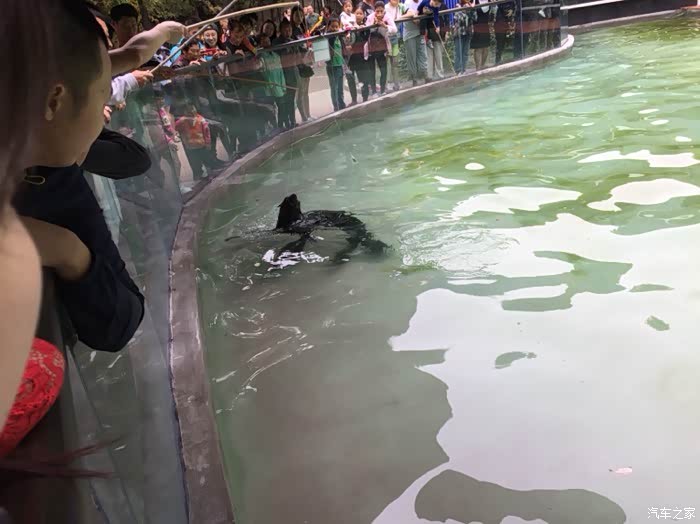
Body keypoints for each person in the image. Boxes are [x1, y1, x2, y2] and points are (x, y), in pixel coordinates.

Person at [175, 103, 216, 180]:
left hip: (201, 145)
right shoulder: (182, 120)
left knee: (206, 159)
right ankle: (199, 175)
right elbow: (175, 127)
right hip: (191, 147)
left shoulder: (200, 119)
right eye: (188, 110)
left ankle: (210, 173)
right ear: (185, 112)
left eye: (192, 109)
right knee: (196, 162)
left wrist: (208, 143)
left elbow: (206, 132)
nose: (191, 111)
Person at [366, 2, 397, 96]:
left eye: (381, 11)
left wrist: (385, 25)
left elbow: (394, 29)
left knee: (384, 69)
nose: (379, 13)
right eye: (377, 11)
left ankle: (383, 90)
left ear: (384, 10)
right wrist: (373, 24)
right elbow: (366, 30)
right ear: (374, 11)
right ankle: (374, 91)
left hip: (382, 47)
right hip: (371, 47)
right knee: (372, 70)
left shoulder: (387, 17)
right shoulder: (370, 17)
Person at [273, 20, 300, 129]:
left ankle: (292, 121)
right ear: (280, 30)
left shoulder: (292, 41)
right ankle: (283, 123)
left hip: (292, 74)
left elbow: (297, 57)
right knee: (282, 102)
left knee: (291, 100)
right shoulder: (276, 43)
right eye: (285, 29)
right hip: (281, 75)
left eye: (289, 29)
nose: (288, 31)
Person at [291, 5, 314, 122]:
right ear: (292, 16)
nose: (299, 18)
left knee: (305, 92)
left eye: (301, 15)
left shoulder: (301, 28)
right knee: (300, 92)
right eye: (296, 15)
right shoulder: (291, 30)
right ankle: (304, 117)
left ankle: (308, 115)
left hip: (306, 62)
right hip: (298, 64)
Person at [347, 7, 371, 103]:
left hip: (362, 57)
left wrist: (361, 30)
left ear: (364, 15)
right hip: (352, 58)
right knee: (351, 79)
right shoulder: (350, 26)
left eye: (361, 13)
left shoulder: (365, 27)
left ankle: (365, 98)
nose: (358, 15)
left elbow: (366, 38)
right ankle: (354, 100)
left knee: (363, 78)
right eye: (357, 13)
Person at [403, 0, 428, 85]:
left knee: (423, 54)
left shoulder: (422, 1)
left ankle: (425, 75)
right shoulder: (407, 3)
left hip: (420, 32)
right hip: (410, 34)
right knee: (412, 57)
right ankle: (414, 78)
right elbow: (412, 17)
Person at [418, 0, 444, 80]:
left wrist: (438, 26)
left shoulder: (436, 7)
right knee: (428, 54)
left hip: (433, 29)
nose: (436, 5)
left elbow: (436, 16)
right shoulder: (424, 2)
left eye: (438, 4)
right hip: (425, 31)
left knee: (438, 52)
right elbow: (418, 10)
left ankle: (440, 74)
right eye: (436, 3)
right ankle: (429, 76)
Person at [325, 17, 346, 112]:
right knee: (334, 88)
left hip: (340, 65)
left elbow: (343, 50)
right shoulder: (328, 38)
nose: (334, 29)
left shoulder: (340, 37)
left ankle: (342, 104)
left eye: (336, 27)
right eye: (332, 26)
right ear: (328, 27)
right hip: (332, 67)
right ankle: (336, 106)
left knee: (340, 87)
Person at [385, 0, 406, 91]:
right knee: (386, 63)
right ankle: (386, 85)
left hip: (395, 37)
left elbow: (411, 12)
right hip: (386, 37)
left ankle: (396, 84)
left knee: (395, 62)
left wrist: (402, 16)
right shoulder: (385, 8)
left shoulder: (401, 6)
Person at [453, 0, 475, 74]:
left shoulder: (471, 6)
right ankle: (458, 70)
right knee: (458, 52)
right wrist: (467, 10)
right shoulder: (457, 6)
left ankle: (464, 69)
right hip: (459, 33)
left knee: (465, 52)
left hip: (468, 32)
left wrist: (472, 9)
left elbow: (475, 18)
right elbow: (460, 19)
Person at [472, 0, 494, 70]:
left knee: (486, 47)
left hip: (485, 25)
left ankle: (482, 65)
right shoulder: (475, 1)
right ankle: (478, 67)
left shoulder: (489, 0)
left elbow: (494, 8)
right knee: (478, 48)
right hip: (477, 26)